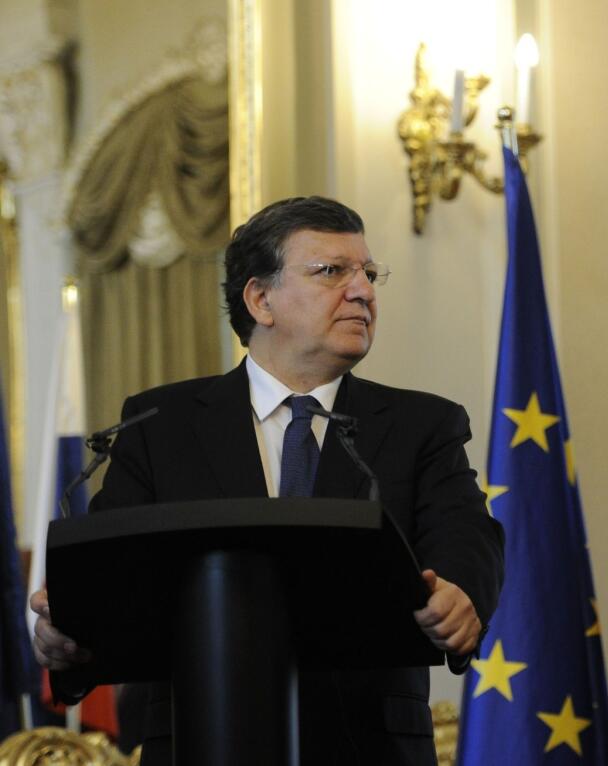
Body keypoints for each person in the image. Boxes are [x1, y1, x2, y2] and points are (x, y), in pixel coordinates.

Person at [30, 196, 505, 765]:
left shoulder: (422, 425)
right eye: (332, 272)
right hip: (199, 741)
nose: (364, 291)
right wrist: (69, 635)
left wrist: (460, 592)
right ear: (261, 298)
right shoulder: (161, 425)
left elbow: (466, 533)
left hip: (367, 746)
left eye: (369, 274)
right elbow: (111, 576)